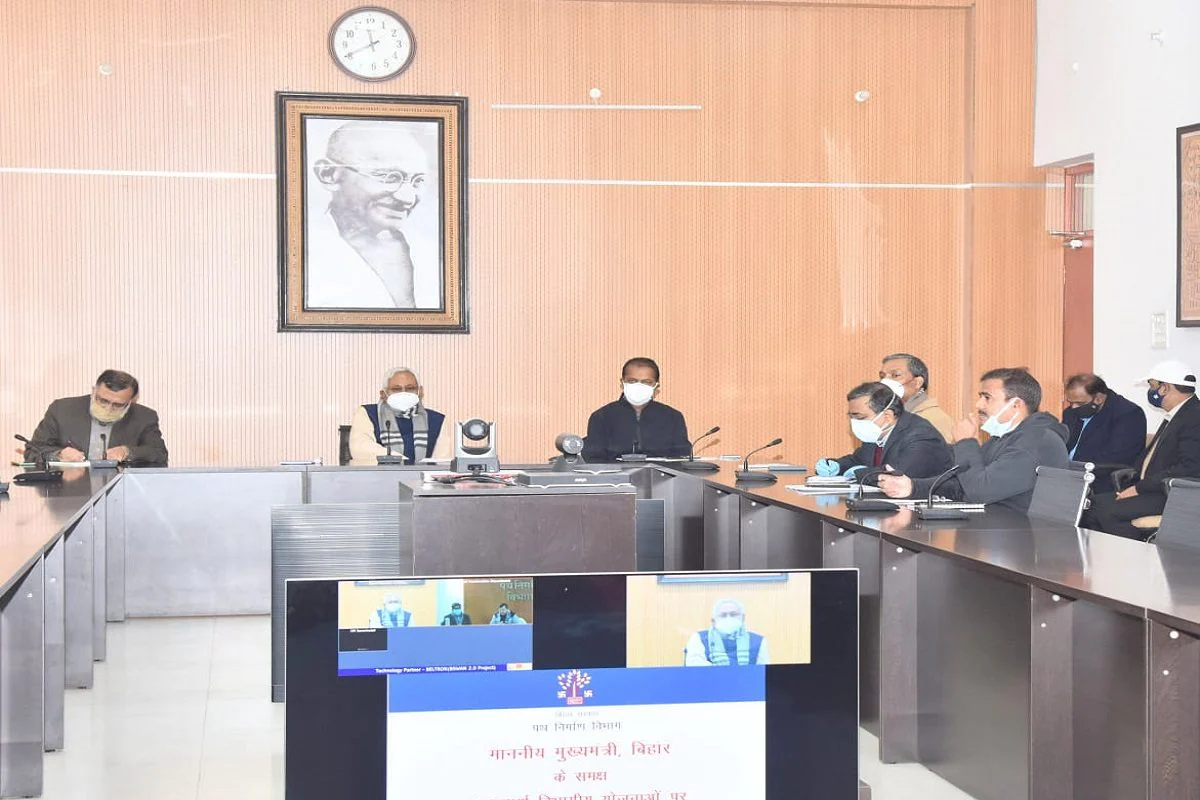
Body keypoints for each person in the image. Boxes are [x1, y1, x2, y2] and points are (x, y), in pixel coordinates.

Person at [877, 368, 1069, 512]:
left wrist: (966, 443)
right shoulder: (1004, 438)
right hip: (996, 529)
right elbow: (963, 484)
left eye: (987, 398)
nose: (979, 405)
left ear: (1016, 405)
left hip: (1024, 540)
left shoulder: (1035, 442)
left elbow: (979, 492)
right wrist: (912, 487)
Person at [306, 119, 441, 309]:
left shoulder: (433, 253)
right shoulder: (304, 251)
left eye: (417, 181)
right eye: (389, 177)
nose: (407, 199)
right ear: (329, 175)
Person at [1083, 361, 1200, 540]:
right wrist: (1132, 485)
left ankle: (1137, 553)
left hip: (1172, 495)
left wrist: (1138, 488)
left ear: (1165, 388)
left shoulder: (1194, 417)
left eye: (1152, 385)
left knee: (1105, 511)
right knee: (1089, 505)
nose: (1151, 391)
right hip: (1154, 490)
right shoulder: (1178, 414)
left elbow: (1189, 468)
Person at [814, 382, 953, 484]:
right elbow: (857, 460)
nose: (854, 423)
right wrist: (836, 465)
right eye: (851, 417)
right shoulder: (877, 433)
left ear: (887, 416)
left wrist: (858, 473)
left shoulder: (920, 435)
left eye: (860, 418)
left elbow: (897, 475)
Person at [24, 370, 169, 467]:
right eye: (103, 400)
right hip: (67, 491)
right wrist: (58, 455)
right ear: (94, 391)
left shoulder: (144, 417)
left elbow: (159, 453)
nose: (108, 408)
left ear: (131, 402)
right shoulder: (61, 410)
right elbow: (33, 451)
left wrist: (127, 452)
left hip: (121, 492)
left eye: (118, 405)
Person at [581, 358, 689, 462]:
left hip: (661, 474)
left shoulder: (673, 418)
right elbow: (593, 459)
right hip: (615, 474)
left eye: (646, 382)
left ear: (656, 386)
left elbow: (681, 458)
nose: (638, 386)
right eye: (632, 381)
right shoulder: (602, 417)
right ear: (622, 383)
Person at [1061, 373, 1147, 492]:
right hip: (1069, 477)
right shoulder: (1070, 413)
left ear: (1099, 398)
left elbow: (1118, 457)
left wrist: (1076, 470)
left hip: (1103, 481)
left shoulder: (1128, 414)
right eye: (1071, 402)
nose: (1074, 407)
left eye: (1080, 403)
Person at [349, 367, 449, 465]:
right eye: (396, 389)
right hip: (378, 475)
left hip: (423, 476)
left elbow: (443, 462)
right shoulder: (367, 413)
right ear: (383, 394)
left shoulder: (437, 420)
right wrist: (396, 459)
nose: (403, 393)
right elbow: (360, 450)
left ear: (420, 392)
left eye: (410, 388)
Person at [879, 353, 956, 442]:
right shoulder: (886, 417)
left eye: (895, 375)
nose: (885, 381)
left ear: (917, 382)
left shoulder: (935, 419)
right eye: (882, 377)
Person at [684, 599, 769, 666]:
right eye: (723, 615)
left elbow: (764, 673)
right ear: (713, 621)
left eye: (733, 614)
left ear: (743, 618)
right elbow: (696, 668)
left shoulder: (758, 641)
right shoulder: (699, 638)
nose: (728, 618)